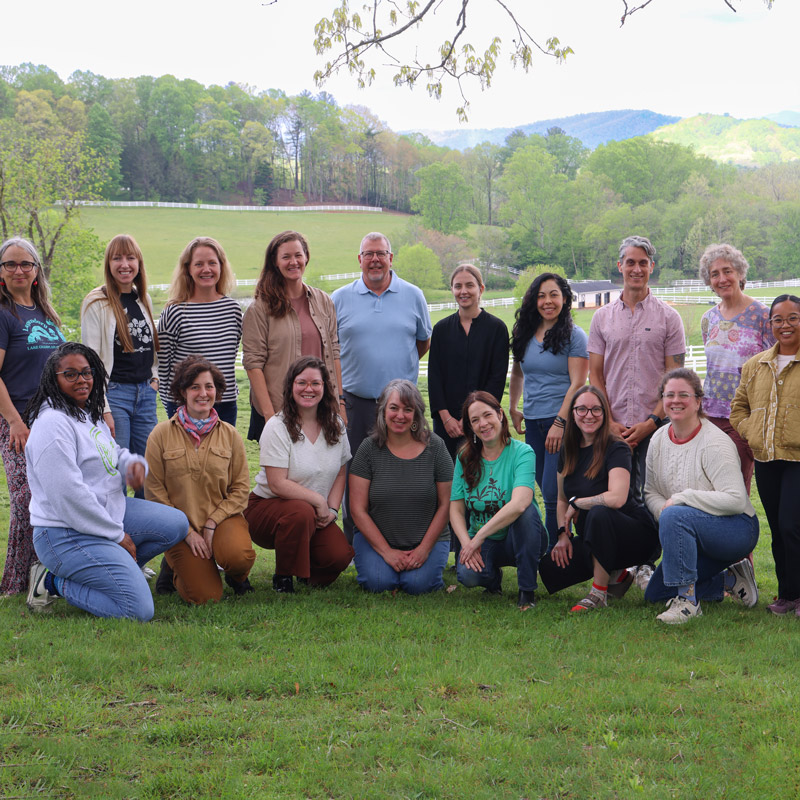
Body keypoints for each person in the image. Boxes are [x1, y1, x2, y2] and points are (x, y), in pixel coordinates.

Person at [25, 342, 189, 620]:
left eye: (87, 372)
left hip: (106, 513)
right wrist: (116, 535)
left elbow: (114, 452)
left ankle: (113, 571)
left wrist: (133, 466)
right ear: (53, 379)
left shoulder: (86, 413)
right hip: (64, 533)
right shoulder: (52, 424)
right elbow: (69, 496)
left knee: (176, 523)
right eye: (71, 374)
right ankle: (52, 581)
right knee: (138, 610)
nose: (82, 380)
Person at [588, 235, 685, 588]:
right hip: (610, 427)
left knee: (652, 496)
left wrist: (651, 421)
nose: (636, 269)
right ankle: (618, 565)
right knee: (616, 497)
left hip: (655, 426)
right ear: (620, 266)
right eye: (630, 262)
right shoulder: (602, 318)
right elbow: (595, 374)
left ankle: (647, 564)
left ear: (651, 268)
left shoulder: (668, 318)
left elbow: (675, 379)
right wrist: (608, 421)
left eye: (643, 262)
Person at [332, 232, 432, 541]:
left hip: (401, 406)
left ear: (391, 258)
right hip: (354, 402)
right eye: (369, 253)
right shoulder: (339, 298)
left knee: (399, 471)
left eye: (381, 253)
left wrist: (396, 373)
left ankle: (398, 535)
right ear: (359, 260)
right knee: (353, 472)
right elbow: (330, 347)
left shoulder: (413, 295)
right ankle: (355, 541)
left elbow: (423, 340)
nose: (375, 259)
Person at [644, 369, 759, 624]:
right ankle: (730, 579)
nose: (676, 400)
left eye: (684, 395)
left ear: (698, 401)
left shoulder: (714, 443)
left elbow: (736, 500)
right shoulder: (658, 439)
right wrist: (664, 511)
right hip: (688, 531)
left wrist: (682, 500)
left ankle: (687, 602)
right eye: (669, 394)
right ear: (662, 400)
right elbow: (650, 491)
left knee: (676, 514)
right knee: (655, 593)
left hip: (736, 528)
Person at [144, 356, 255, 604]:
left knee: (238, 557)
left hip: (222, 520)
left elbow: (240, 488)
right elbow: (154, 491)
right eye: (195, 387)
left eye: (209, 386)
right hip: (179, 527)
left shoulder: (230, 435)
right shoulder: (160, 434)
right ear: (183, 392)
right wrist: (186, 532)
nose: (203, 393)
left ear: (217, 390)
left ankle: (236, 576)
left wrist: (213, 522)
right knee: (205, 597)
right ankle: (175, 567)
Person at [538, 386, 659, 611]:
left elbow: (617, 499)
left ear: (604, 414)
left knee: (598, 512)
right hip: (594, 534)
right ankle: (618, 575)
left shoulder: (617, 448)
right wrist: (562, 535)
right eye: (581, 409)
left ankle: (598, 593)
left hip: (635, 535)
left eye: (596, 409)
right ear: (572, 414)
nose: (589, 415)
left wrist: (579, 503)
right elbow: (562, 499)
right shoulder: (568, 449)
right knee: (550, 569)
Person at [244, 356, 353, 593]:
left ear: (325, 387)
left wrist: (333, 510)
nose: (308, 389)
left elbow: (341, 472)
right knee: (300, 511)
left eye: (316, 383)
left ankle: (304, 572)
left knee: (339, 556)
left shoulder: (336, 424)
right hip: (267, 509)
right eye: (301, 382)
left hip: (314, 513)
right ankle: (283, 577)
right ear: (291, 386)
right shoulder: (277, 425)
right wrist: (317, 500)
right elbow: (276, 483)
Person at [0, 237, 65, 594]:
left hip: (51, 419)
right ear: (1, 273)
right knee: (26, 501)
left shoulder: (45, 313)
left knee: (51, 497)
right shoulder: (3, 314)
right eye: (10, 264)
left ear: (37, 270)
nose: (18, 270)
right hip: (16, 422)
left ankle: (47, 574)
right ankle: (14, 583)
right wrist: (13, 421)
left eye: (25, 264)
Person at [731, 295, 800, 616]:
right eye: (778, 319)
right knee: (777, 528)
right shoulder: (755, 365)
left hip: (797, 460)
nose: (785, 325)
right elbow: (738, 408)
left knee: (791, 525)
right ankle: (787, 595)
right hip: (767, 459)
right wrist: (751, 431)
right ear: (770, 323)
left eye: (793, 318)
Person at [509, 272, 589, 549]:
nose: (547, 301)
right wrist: (513, 406)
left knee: (555, 491)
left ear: (565, 299)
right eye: (541, 295)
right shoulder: (524, 334)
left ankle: (553, 552)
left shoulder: (575, 336)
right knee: (545, 489)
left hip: (563, 423)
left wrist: (560, 422)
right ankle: (560, 542)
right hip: (533, 422)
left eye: (554, 294)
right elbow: (518, 373)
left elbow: (578, 383)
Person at [349, 379, 452, 594]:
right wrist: (386, 552)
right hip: (377, 540)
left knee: (418, 585)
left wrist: (424, 550)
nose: (400, 415)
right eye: (393, 408)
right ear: (383, 411)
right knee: (378, 582)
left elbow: (446, 504)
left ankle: (422, 568)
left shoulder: (436, 447)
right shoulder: (368, 449)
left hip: (426, 540)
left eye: (408, 409)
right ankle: (386, 565)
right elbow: (357, 509)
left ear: (416, 415)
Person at [450, 391, 546, 610]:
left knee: (527, 512)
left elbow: (520, 503)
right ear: (470, 427)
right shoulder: (464, 456)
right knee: (467, 576)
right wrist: (467, 543)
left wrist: (478, 538)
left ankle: (527, 591)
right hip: (485, 541)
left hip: (521, 537)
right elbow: (455, 509)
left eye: (487, 415)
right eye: (475, 420)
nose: (483, 424)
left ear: (500, 414)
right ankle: (493, 579)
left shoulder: (523, 452)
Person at [242, 230, 342, 442]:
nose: (293, 262)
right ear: (275, 262)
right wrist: (270, 418)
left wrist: (339, 404)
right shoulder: (260, 310)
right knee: (280, 475)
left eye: (298, 255)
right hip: (279, 411)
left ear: (306, 257)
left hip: (320, 410)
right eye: (286, 257)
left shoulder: (324, 301)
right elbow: (253, 365)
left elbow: (334, 353)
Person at [699, 243, 773, 492]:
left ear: (740, 273)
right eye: (714, 274)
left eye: (727, 271)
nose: (722, 278)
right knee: (708, 486)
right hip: (709, 417)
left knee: (735, 491)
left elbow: (774, 369)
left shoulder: (763, 316)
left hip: (744, 417)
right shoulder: (709, 318)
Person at [80, 234, 159, 455]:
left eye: (130, 258)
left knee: (147, 467)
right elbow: (91, 360)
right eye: (117, 258)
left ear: (139, 264)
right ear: (108, 264)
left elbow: (150, 347)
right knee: (118, 467)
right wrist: (103, 407)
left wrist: (155, 379)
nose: (125, 264)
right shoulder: (96, 302)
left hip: (145, 393)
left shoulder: (143, 298)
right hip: (114, 394)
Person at [157, 236, 242, 425]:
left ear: (221, 266)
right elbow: (163, 368)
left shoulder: (233, 310)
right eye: (199, 264)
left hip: (226, 405)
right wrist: (172, 407)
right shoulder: (175, 312)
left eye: (212, 263)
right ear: (188, 268)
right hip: (187, 406)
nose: (206, 269)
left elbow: (229, 358)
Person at [428, 264, 509, 460]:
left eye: (469, 285)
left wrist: (473, 419)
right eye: (458, 286)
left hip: (483, 422)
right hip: (446, 424)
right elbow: (435, 377)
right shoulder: (441, 329)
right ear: (452, 290)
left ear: (481, 289)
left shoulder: (497, 329)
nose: (463, 291)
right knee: (447, 481)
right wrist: (446, 418)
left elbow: (497, 379)